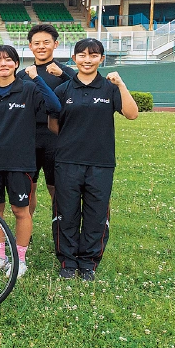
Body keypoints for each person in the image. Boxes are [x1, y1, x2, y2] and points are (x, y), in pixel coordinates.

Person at [50, 38, 138, 281]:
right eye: (82, 55)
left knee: (95, 214)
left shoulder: (110, 88)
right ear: (74, 58)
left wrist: (121, 84)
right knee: (66, 213)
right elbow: (54, 124)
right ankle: (67, 261)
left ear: (101, 58)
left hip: (101, 163)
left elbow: (132, 114)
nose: (87, 60)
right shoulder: (63, 90)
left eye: (93, 55)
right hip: (67, 161)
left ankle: (88, 262)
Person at [0, 45, 61, 279]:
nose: (3, 64)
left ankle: (19, 259)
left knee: (20, 211)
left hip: (20, 162)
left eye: (8, 60)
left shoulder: (29, 90)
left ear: (16, 64)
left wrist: (37, 79)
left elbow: (54, 107)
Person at [16, 24, 76, 233]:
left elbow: (81, 93)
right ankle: (26, 234)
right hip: (28, 139)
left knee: (56, 188)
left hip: (55, 138)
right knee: (28, 189)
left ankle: (60, 233)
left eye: (46, 42)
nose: (41, 47)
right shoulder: (23, 75)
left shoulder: (66, 72)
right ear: (30, 46)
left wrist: (64, 75)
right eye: (37, 43)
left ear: (56, 44)